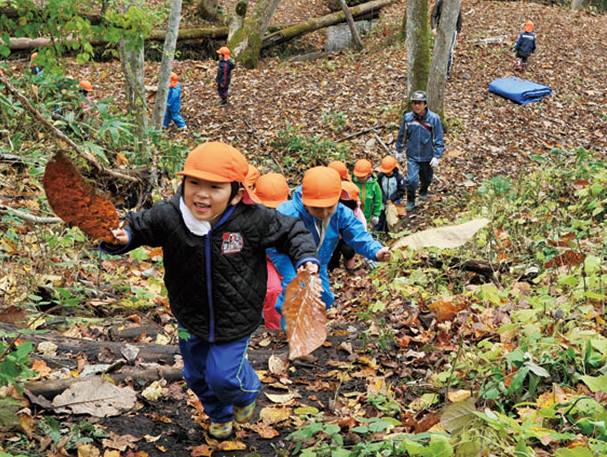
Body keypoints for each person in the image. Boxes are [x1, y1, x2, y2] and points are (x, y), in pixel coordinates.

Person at [99, 142, 320, 440]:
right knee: (196, 376)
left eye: (215, 187)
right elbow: (138, 227)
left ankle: (247, 392)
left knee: (224, 377)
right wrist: (121, 237)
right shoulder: (170, 215)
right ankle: (219, 416)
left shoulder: (252, 219)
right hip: (190, 316)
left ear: (236, 193)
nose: (201, 194)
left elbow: (292, 231)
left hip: (236, 317)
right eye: (193, 183)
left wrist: (306, 258)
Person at [270, 167, 392, 318]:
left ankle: (313, 324)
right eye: (317, 208)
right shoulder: (287, 212)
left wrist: (375, 250)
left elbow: (358, 234)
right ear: (305, 202)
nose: (324, 213)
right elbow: (272, 243)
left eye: (329, 207)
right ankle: (292, 327)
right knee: (295, 291)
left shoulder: (341, 213)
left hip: (319, 262)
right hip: (289, 259)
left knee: (324, 297)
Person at [394, 90, 443, 212]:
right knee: (411, 180)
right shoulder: (408, 118)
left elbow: (438, 139)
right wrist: (399, 150)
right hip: (412, 155)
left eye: (420, 103)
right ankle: (411, 200)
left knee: (426, 178)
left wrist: (437, 155)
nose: (417, 106)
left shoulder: (434, 119)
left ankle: (423, 191)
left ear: (425, 104)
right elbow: (402, 136)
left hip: (428, 155)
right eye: (415, 103)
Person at [254, 172, 291, 330]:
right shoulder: (251, 216)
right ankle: (274, 329)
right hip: (263, 259)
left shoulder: (292, 215)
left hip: (284, 258)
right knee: (273, 289)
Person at [430, 0, 463, 77]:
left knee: (449, 51)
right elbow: (433, 15)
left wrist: (458, 31)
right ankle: (436, 70)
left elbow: (459, 19)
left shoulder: (456, 5)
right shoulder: (439, 3)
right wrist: (433, 28)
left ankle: (446, 72)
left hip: (452, 30)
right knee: (438, 49)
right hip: (440, 29)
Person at [374, 156, 404, 232]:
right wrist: (384, 199)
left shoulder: (398, 178)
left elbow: (401, 191)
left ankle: (390, 232)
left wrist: (392, 198)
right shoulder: (381, 176)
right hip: (383, 201)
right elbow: (378, 188)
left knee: (391, 219)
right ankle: (377, 232)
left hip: (394, 202)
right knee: (381, 217)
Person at [352, 159, 384, 226]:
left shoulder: (374, 185)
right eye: (358, 176)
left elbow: (378, 200)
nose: (359, 178)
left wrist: (376, 214)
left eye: (362, 177)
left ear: (369, 174)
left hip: (367, 216)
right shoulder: (352, 182)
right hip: (353, 216)